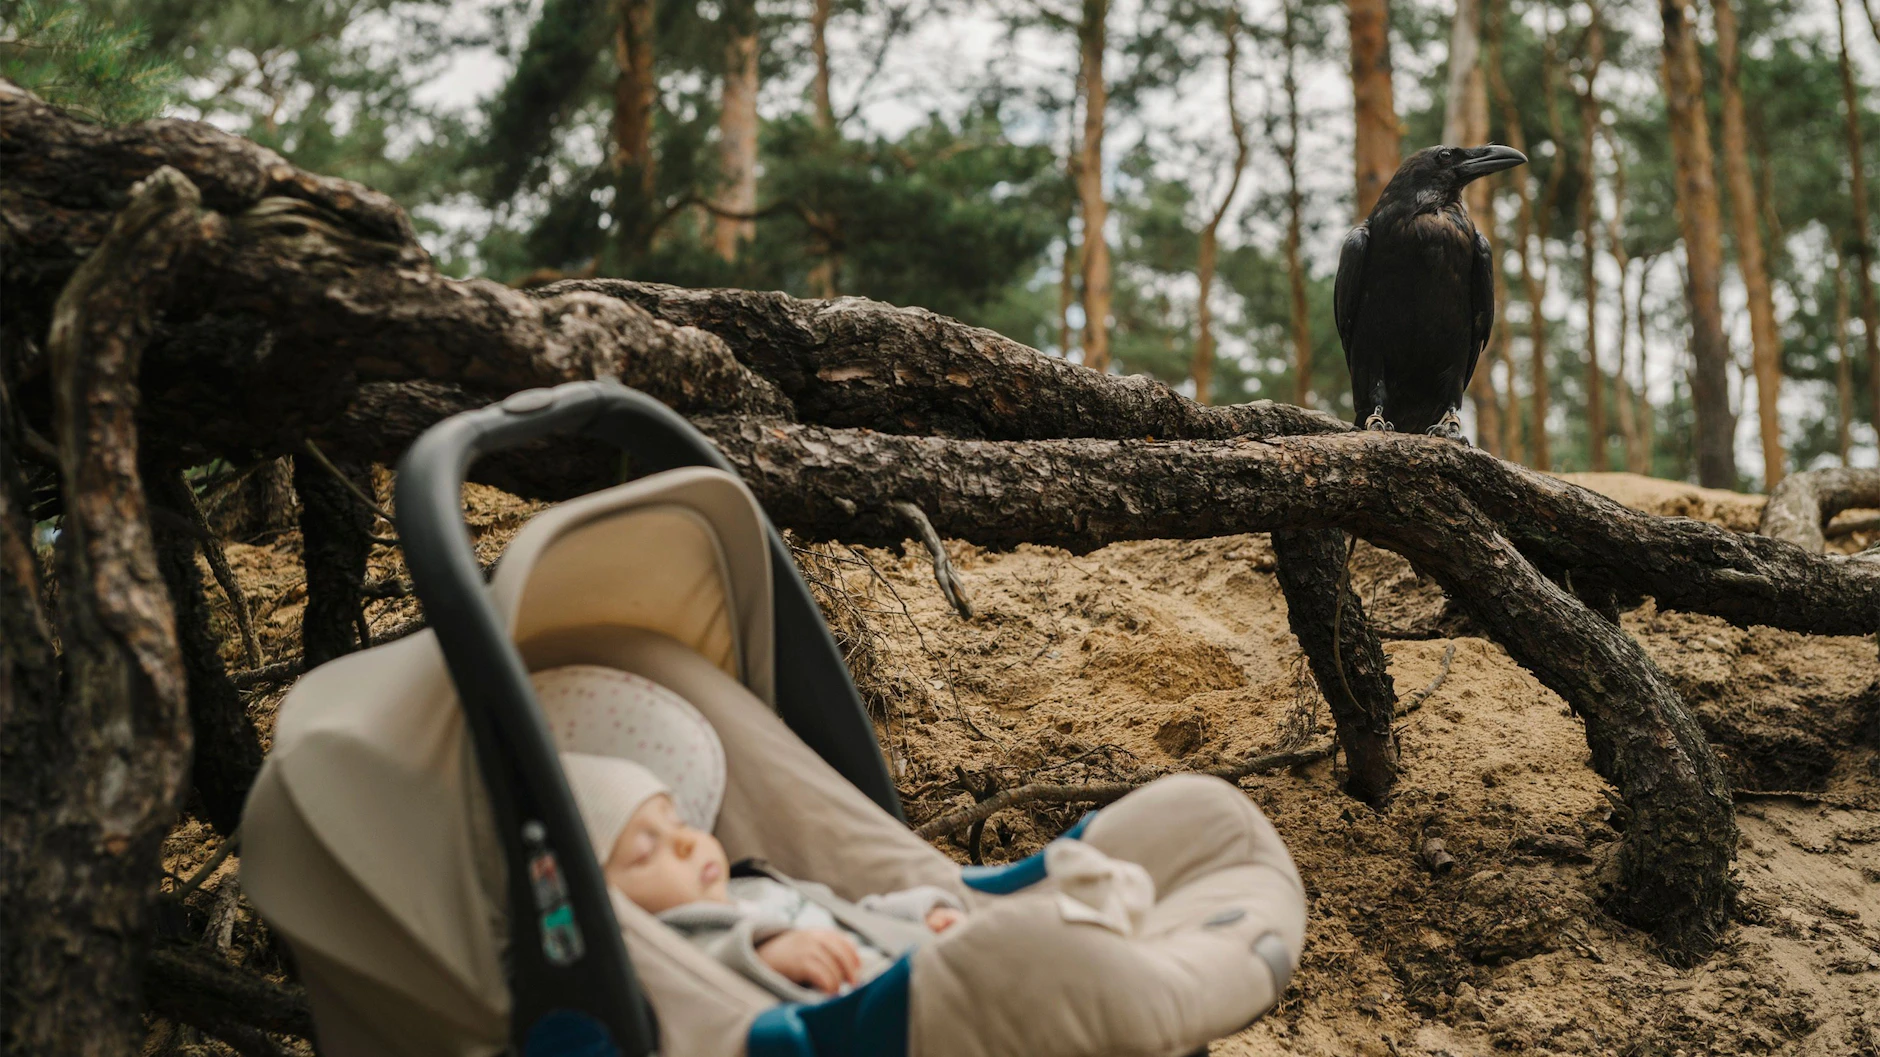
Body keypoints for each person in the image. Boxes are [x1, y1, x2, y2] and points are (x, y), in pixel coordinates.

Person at [560, 751, 964, 1001]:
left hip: (903, 974)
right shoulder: (661, 950)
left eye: (679, 824)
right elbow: (694, 996)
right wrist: (762, 957)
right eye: (647, 851)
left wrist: (914, 920)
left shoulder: (754, 886)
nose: (687, 843)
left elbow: (848, 917)